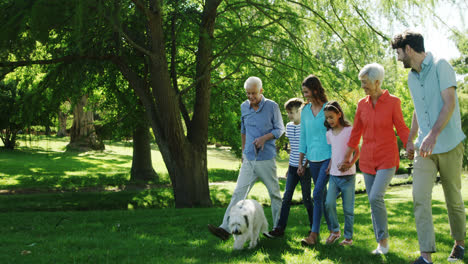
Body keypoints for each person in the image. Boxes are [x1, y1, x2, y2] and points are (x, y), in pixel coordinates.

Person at [392, 31, 466, 264]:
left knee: (452, 198)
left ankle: (459, 243)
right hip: (425, 148)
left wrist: (433, 135)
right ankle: (426, 255)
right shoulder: (412, 78)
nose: (397, 57)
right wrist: (412, 138)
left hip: (449, 143)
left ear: (409, 49)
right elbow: (417, 109)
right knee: (419, 197)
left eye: (399, 52)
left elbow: (450, 103)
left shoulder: (441, 66)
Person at [342, 63, 410, 254]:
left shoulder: (393, 102)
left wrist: (410, 146)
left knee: (374, 196)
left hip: (387, 158)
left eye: (365, 82)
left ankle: (384, 243)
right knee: (374, 202)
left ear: (377, 82)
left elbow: (402, 128)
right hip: (367, 160)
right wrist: (348, 157)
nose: (362, 86)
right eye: (362, 82)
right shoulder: (361, 105)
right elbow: (355, 133)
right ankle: (381, 243)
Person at [208, 76, 285, 241]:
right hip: (249, 159)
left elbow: (280, 129)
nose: (250, 97)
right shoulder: (244, 107)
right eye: (248, 93)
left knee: (275, 194)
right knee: (238, 194)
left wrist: (265, 138)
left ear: (261, 91)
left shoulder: (272, 106)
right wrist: (243, 152)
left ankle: (278, 228)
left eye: (254, 94)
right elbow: (243, 130)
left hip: (266, 159)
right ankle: (225, 228)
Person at [264, 98, 314, 238]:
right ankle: (279, 228)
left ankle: (313, 229)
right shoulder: (289, 126)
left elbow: (309, 148)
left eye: (292, 112)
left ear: (300, 111)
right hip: (293, 167)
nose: (290, 116)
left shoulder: (307, 126)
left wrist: (303, 166)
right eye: (288, 113)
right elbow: (293, 148)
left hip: (305, 168)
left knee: (306, 199)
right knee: (286, 198)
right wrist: (289, 167)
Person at [299, 75, 333, 246]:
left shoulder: (329, 108)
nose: (304, 95)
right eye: (303, 92)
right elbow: (303, 138)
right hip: (312, 159)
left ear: (315, 89)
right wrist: (301, 162)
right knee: (323, 196)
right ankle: (334, 231)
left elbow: (337, 132)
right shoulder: (304, 111)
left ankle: (313, 234)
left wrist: (335, 158)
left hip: (328, 157)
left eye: (306, 91)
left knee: (317, 193)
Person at [323, 101, 359, 246]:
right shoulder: (329, 134)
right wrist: (330, 166)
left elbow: (357, 151)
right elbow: (334, 153)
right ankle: (335, 231)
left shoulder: (349, 131)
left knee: (348, 209)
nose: (329, 120)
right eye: (327, 118)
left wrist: (350, 164)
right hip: (333, 176)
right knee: (329, 203)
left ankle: (348, 238)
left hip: (348, 177)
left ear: (339, 114)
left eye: (331, 117)